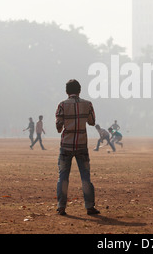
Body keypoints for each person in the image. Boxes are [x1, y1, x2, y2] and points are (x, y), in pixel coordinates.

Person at [55, 79, 100, 216]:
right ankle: (89, 207)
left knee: (63, 177)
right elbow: (92, 122)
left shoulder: (62, 105)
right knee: (85, 177)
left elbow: (58, 127)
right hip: (81, 145)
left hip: (66, 145)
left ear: (67, 91)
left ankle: (61, 207)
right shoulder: (88, 104)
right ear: (79, 90)